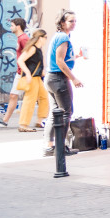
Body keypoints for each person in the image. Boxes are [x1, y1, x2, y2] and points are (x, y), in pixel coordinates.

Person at [44, 10, 83, 156]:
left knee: (54, 114)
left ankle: (49, 147)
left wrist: (76, 56)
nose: (73, 24)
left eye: (75, 21)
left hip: (51, 78)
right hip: (58, 78)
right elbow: (59, 62)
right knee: (67, 112)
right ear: (62, 23)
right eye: (70, 21)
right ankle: (61, 148)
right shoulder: (62, 38)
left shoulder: (61, 36)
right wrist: (73, 78)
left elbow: (61, 59)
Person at [0, 17, 29, 127]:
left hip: (24, 72)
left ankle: (40, 120)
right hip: (20, 72)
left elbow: (30, 55)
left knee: (33, 96)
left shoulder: (23, 39)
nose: (10, 27)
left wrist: (27, 71)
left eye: (12, 25)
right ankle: (5, 120)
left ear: (18, 26)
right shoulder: (20, 38)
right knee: (14, 95)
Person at [16, 29, 49, 133]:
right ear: (40, 38)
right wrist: (28, 73)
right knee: (29, 101)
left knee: (44, 98)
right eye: (45, 38)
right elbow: (20, 60)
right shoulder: (33, 49)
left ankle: (40, 120)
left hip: (38, 78)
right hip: (32, 78)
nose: (46, 40)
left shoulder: (39, 49)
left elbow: (37, 64)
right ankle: (23, 125)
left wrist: (43, 72)